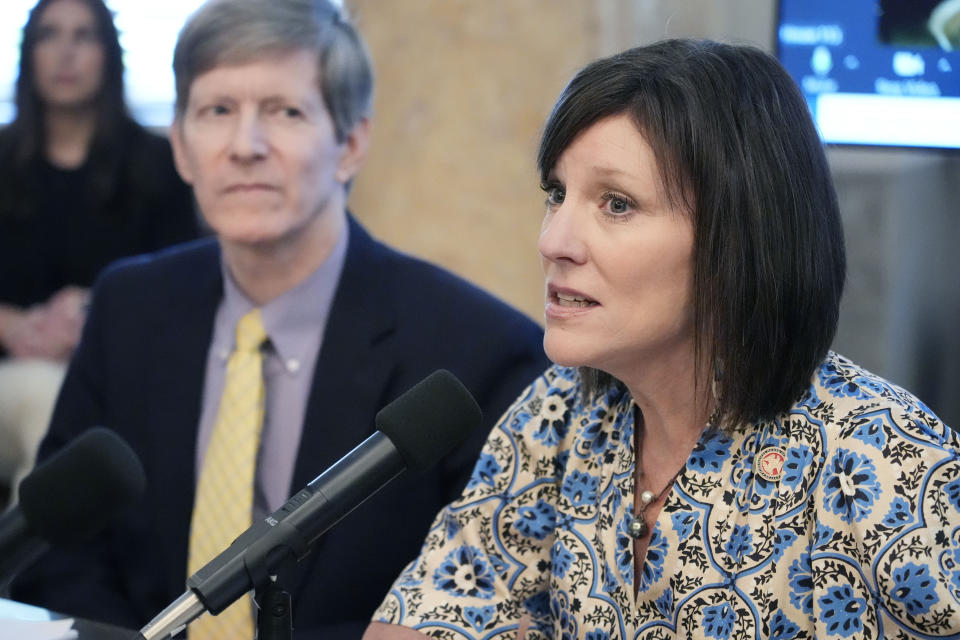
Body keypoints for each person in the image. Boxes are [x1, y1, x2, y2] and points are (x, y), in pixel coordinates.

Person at [366, 39, 960, 639]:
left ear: (737, 238)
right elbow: (421, 618)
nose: (555, 241)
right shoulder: (561, 414)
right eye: (556, 194)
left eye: (617, 204)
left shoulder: (883, 459)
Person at [10, 0, 547, 637]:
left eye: (285, 112)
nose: (245, 147)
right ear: (181, 146)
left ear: (350, 142)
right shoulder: (129, 308)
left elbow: (487, 602)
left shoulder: (477, 350)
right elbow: (61, 553)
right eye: (217, 112)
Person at [0, 0, 197, 500]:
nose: (66, 53)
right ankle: (32, 574)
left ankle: (38, 575)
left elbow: (183, 284)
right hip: (10, 375)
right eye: (50, 35)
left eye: (83, 36)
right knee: (45, 397)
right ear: (29, 52)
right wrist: (16, 326)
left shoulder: (157, 166)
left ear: (108, 54)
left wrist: (92, 312)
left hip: (114, 374)